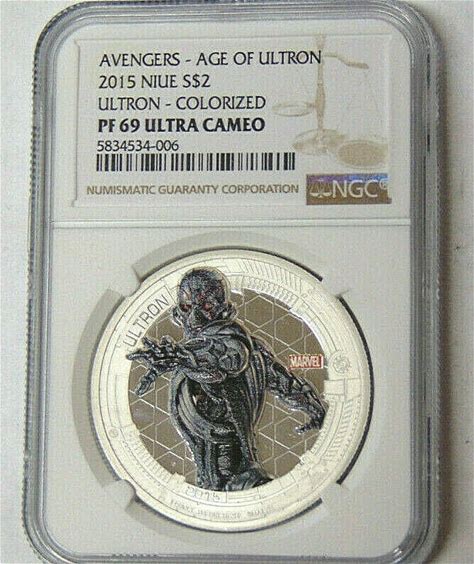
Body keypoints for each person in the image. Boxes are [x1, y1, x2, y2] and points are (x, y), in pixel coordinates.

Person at [128, 267, 326, 491]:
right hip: (208, 475)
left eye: (207, 307)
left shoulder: (239, 345)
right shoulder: (249, 350)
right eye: (187, 307)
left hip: (234, 471)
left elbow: (228, 355)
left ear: (223, 308)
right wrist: (315, 409)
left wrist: (183, 356)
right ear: (178, 310)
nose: (195, 318)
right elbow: (288, 385)